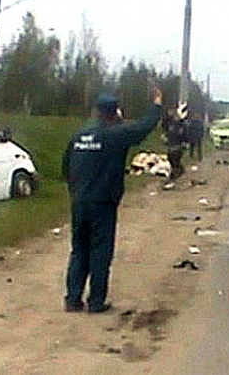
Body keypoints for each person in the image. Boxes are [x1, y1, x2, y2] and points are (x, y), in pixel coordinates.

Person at [62, 88, 164, 313]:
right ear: (115, 112)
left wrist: (76, 190)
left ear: (96, 111)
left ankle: (72, 299)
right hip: (103, 203)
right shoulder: (115, 135)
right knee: (100, 251)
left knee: (79, 250)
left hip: (79, 201)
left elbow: (66, 167)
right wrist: (156, 104)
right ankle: (96, 302)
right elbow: (143, 127)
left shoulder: (79, 136)